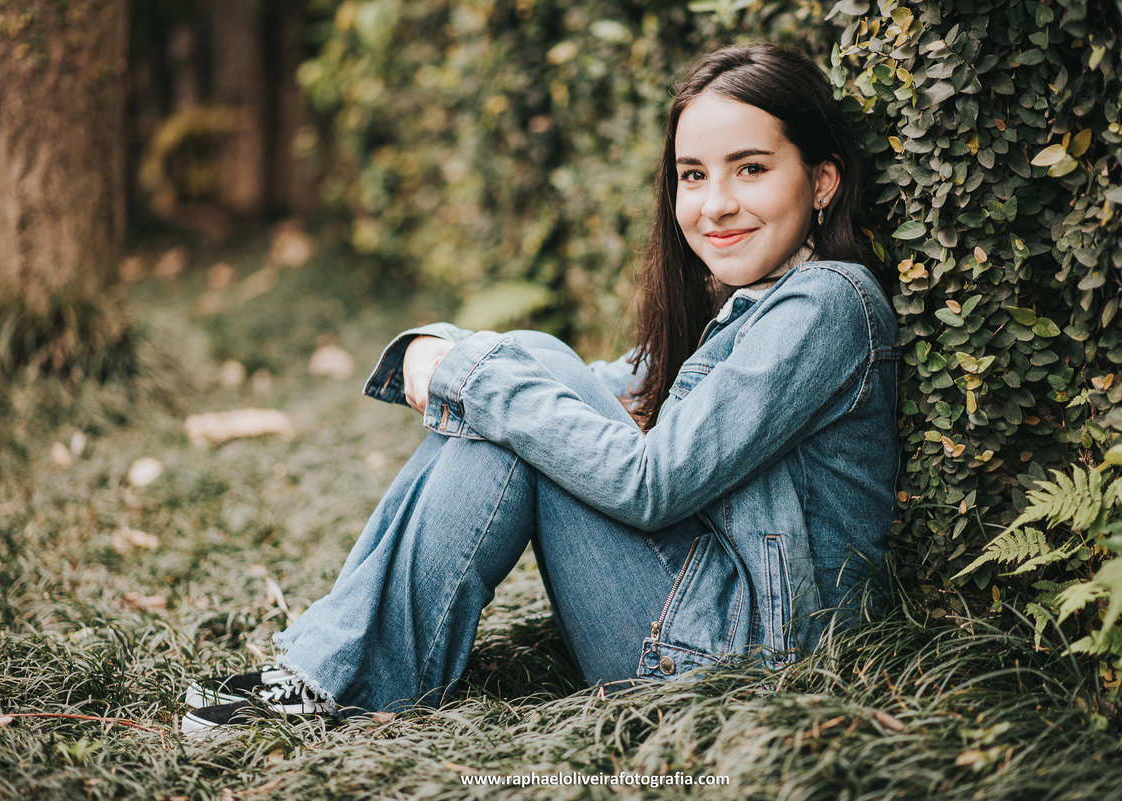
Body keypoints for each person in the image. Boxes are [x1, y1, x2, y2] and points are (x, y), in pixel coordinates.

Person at [181, 42, 899, 732]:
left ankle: (334, 680)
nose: (714, 204)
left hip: (747, 664)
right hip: (689, 623)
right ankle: (333, 677)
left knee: (516, 391)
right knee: (521, 391)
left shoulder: (826, 304)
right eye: (692, 174)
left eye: (750, 169)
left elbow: (653, 485)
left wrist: (465, 371)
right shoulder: (742, 299)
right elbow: (593, 390)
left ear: (822, 180)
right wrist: (474, 366)